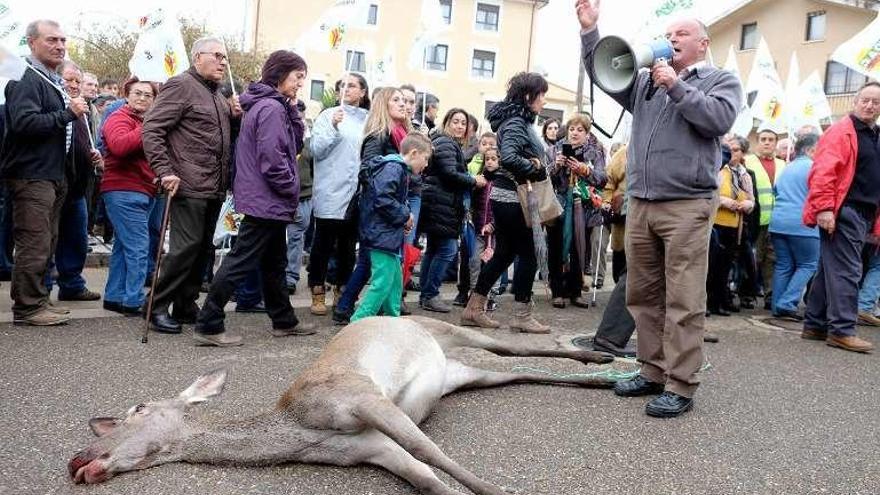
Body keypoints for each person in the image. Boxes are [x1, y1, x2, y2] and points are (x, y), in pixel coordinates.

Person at [578, 0, 742, 417]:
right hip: (643, 203)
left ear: (702, 44)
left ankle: (681, 384)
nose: (671, 40)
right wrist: (590, 33)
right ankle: (651, 370)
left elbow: (716, 121)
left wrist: (676, 86)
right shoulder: (646, 82)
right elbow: (606, 75)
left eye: (681, 34)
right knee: (642, 294)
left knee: (684, 298)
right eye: (669, 35)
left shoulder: (719, 80)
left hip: (687, 205)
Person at [195, 50, 315, 346]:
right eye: (298, 76)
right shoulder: (271, 109)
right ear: (280, 74)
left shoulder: (274, 106)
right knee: (241, 260)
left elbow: (294, 143)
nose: (301, 83)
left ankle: (283, 320)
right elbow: (273, 160)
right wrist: (290, 189)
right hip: (268, 198)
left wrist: (294, 110)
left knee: (274, 262)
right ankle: (209, 323)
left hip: (265, 197)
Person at [142, 36, 242, 337]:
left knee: (201, 250)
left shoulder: (215, 94)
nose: (224, 62)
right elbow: (152, 129)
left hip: (212, 185)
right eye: (217, 55)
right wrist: (164, 171)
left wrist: (235, 118)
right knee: (185, 248)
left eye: (225, 57)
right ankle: (156, 305)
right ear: (198, 57)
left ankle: (185, 304)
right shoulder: (181, 85)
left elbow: (222, 138)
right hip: (186, 183)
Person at [2, 20, 89, 326]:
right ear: (31, 43)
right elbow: (24, 123)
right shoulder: (26, 77)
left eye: (63, 40)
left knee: (47, 241)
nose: (60, 45)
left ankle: (38, 300)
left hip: (53, 175)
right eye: (52, 39)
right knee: (34, 242)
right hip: (32, 175)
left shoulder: (50, 79)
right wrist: (68, 114)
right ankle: (27, 308)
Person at [461, 72, 552, 333]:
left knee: (503, 255)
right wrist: (537, 170)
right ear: (528, 96)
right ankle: (522, 316)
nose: (544, 101)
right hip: (513, 199)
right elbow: (510, 158)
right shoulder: (515, 123)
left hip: (507, 198)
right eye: (541, 95)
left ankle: (473, 308)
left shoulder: (516, 121)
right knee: (530, 253)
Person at [801, 82, 880, 354]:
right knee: (848, 270)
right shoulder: (841, 131)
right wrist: (824, 208)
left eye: (876, 102)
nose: (870, 105)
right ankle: (842, 330)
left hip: (863, 212)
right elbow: (823, 172)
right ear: (855, 102)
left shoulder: (874, 134)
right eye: (866, 100)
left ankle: (814, 324)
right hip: (844, 210)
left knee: (829, 269)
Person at [307, 73, 370, 316]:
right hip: (330, 189)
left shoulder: (369, 120)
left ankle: (342, 290)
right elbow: (316, 150)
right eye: (342, 86)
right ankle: (317, 289)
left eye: (352, 85)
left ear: (363, 92)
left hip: (356, 193)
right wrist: (333, 126)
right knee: (322, 244)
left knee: (347, 246)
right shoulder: (328, 115)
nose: (347, 89)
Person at [351, 133, 432, 321]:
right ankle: (358, 322)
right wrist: (404, 216)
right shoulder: (394, 168)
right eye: (425, 159)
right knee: (383, 283)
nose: (426, 165)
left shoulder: (396, 168)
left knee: (394, 282)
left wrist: (403, 218)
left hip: (387, 236)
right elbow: (383, 198)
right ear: (414, 153)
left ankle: (392, 320)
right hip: (382, 237)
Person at [100, 77, 161, 315]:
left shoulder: (143, 121)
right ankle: (133, 299)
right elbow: (119, 146)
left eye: (148, 95)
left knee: (124, 247)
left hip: (142, 190)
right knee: (138, 246)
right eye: (138, 93)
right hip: (123, 190)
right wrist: (147, 127)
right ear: (127, 95)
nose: (142, 98)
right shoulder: (119, 117)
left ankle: (115, 296)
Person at [419, 108, 484, 312]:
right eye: (455, 121)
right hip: (441, 203)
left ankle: (426, 294)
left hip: (439, 203)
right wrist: (473, 180)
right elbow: (449, 173)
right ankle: (430, 294)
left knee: (434, 249)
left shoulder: (446, 142)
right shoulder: (446, 142)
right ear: (447, 122)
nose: (459, 126)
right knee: (447, 250)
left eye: (463, 123)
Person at [48, 61, 103, 303]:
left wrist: (94, 154)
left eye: (77, 81)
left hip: (78, 186)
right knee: (47, 239)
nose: (73, 85)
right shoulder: (53, 104)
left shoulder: (82, 109)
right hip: (52, 184)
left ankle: (71, 285)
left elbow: (85, 142)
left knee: (77, 238)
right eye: (68, 79)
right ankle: (42, 289)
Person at [545, 114, 606, 308]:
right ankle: (557, 291)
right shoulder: (554, 149)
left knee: (580, 248)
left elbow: (603, 178)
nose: (575, 133)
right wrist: (557, 165)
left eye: (580, 130)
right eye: (572, 129)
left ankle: (575, 291)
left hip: (585, 207)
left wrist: (585, 170)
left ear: (587, 134)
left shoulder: (595, 152)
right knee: (555, 248)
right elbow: (543, 176)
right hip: (559, 205)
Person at [768, 133, 820, 321]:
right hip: (803, 224)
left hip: (778, 222)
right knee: (808, 264)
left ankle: (777, 306)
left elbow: (777, 191)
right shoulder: (814, 167)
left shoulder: (787, 168)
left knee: (784, 265)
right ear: (810, 149)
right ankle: (787, 303)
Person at [706, 135, 754, 316]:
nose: (731, 153)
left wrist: (748, 205)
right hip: (716, 224)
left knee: (726, 267)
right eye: (729, 150)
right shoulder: (719, 170)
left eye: (736, 150)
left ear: (743, 153)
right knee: (711, 266)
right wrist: (724, 201)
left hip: (735, 227)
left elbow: (751, 199)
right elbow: (709, 194)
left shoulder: (744, 174)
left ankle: (720, 302)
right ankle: (708, 303)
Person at [744, 128, 787, 310]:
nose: (767, 142)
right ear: (757, 142)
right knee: (753, 257)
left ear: (776, 143)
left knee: (773, 259)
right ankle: (746, 293)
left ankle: (771, 295)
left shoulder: (783, 164)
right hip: (754, 219)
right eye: (763, 139)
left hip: (776, 219)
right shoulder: (748, 162)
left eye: (771, 139)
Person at [603, 143, 627, 282]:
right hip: (622, 215)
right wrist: (607, 202)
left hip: (649, 214)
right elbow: (608, 182)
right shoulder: (624, 153)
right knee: (620, 255)